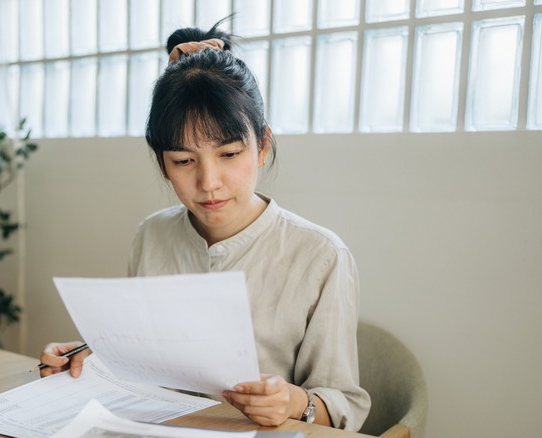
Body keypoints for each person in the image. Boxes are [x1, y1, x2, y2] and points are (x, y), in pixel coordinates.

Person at [39, 20, 371, 432]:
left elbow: (345, 406)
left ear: (263, 146)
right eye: (183, 161)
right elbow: (138, 365)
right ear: (161, 162)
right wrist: (85, 358)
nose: (208, 182)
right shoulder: (151, 236)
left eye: (229, 154)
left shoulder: (320, 255)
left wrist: (291, 402)